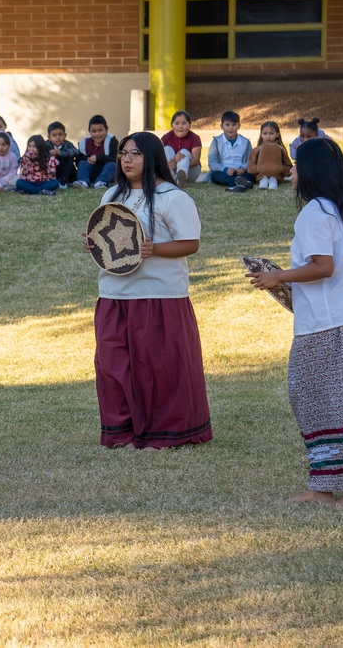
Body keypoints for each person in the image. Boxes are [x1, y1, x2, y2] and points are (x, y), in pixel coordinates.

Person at [246, 138, 343, 508]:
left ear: (312, 171)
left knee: (328, 403)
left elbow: (323, 266)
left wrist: (278, 276)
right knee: (334, 403)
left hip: (330, 327)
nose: (292, 171)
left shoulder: (314, 212)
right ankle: (325, 488)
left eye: (297, 165)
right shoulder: (337, 208)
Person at [82, 132, 212, 450]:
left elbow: (190, 244)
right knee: (113, 364)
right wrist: (93, 244)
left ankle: (162, 434)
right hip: (113, 293)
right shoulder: (112, 193)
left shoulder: (172, 197)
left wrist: (154, 250)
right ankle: (122, 432)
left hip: (160, 295)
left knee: (159, 366)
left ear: (151, 156)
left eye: (135, 153)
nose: (127, 159)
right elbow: (106, 235)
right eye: (123, 154)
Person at [207, 111, 253, 192]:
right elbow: (212, 163)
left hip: (240, 173)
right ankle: (237, 183)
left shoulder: (245, 142)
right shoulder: (216, 141)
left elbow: (251, 160)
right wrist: (225, 169)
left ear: (239, 126)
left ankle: (240, 182)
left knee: (251, 175)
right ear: (221, 126)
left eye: (234, 125)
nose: (230, 128)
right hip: (224, 172)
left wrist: (243, 168)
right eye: (227, 125)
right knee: (214, 175)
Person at [74, 115, 119, 190]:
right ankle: (83, 181)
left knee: (112, 165)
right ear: (89, 131)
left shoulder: (112, 141)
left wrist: (98, 158)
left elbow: (115, 158)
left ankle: (101, 182)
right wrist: (88, 158)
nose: (97, 134)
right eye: (94, 131)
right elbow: (78, 159)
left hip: (106, 172)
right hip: (90, 171)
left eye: (100, 130)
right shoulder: (84, 142)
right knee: (82, 163)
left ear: (106, 129)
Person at [161, 110, 201, 189]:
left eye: (184, 123)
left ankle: (181, 178)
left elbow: (196, 161)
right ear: (172, 125)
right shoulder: (165, 138)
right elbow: (160, 160)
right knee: (167, 149)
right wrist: (174, 161)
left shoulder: (195, 138)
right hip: (170, 168)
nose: (180, 126)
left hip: (191, 171)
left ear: (189, 124)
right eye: (177, 123)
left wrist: (177, 164)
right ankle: (171, 178)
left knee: (184, 152)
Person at [247, 121, 292, 190]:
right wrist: (258, 169)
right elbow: (250, 166)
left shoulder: (280, 149)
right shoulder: (257, 149)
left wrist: (280, 170)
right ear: (261, 135)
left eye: (271, 133)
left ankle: (273, 180)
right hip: (261, 175)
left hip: (276, 175)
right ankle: (263, 180)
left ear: (277, 134)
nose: (268, 137)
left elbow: (288, 166)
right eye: (265, 133)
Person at [47, 121, 80, 187]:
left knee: (70, 160)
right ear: (49, 137)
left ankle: (64, 181)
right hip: (53, 170)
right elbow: (40, 153)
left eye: (60, 135)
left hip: (66, 170)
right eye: (54, 135)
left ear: (65, 135)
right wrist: (48, 153)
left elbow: (76, 152)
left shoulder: (68, 144)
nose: (58, 137)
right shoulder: (46, 145)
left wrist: (62, 153)